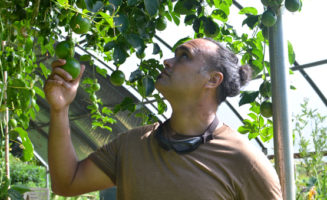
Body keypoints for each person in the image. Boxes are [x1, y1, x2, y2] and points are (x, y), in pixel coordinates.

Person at [44, 38, 282, 199]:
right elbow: (67, 183)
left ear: (212, 80)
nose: (167, 61)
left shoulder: (244, 161)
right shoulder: (130, 145)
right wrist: (59, 109)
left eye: (184, 56)